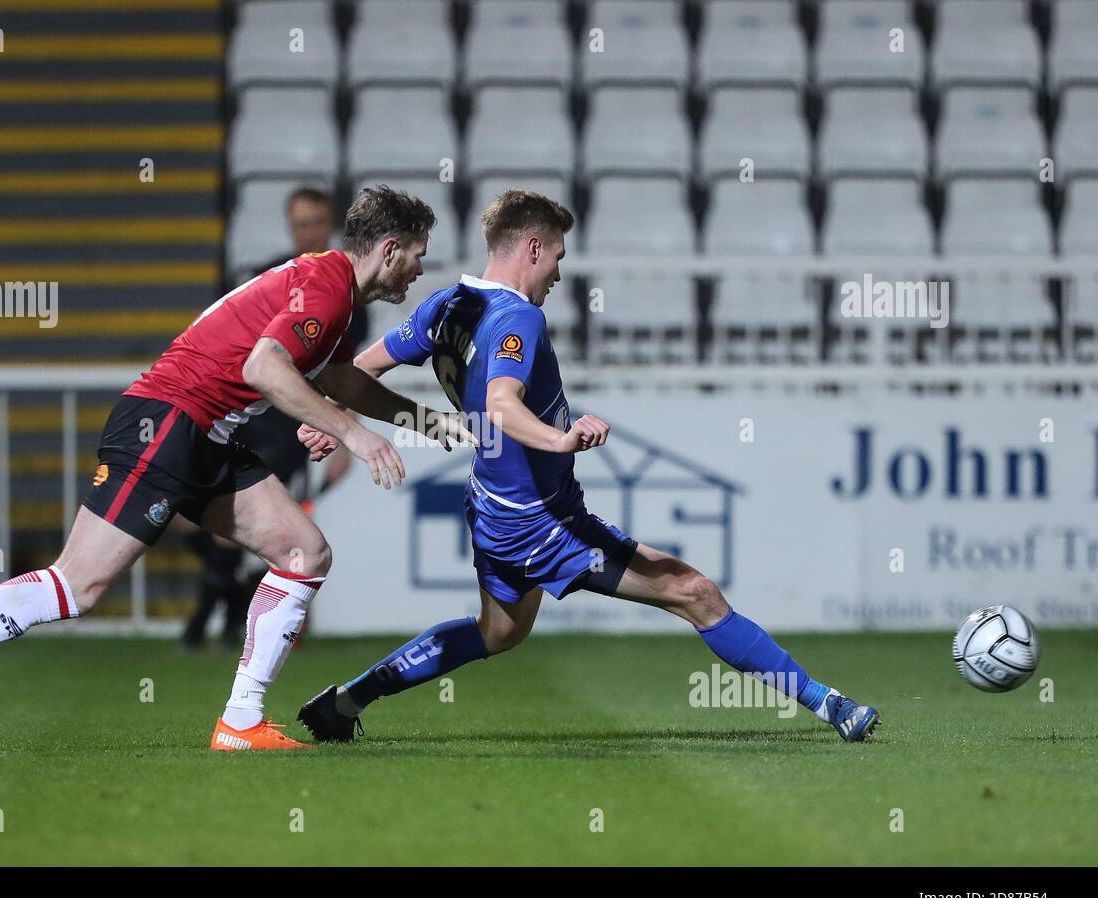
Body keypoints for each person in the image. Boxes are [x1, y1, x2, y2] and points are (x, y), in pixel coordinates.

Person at [0, 186, 472, 754]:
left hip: (207, 434)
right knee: (78, 587)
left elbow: (340, 379)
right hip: (167, 423)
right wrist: (353, 436)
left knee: (304, 552)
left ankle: (241, 720)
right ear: (389, 250)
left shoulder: (332, 289)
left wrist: (423, 421)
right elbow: (265, 367)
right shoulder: (326, 286)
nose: (419, 269)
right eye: (417, 255)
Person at [295, 189, 881, 744]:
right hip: (539, 520)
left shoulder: (447, 304)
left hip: (495, 505)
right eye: (556, 256)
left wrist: (328, 416)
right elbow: (501, 404)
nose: (558, 272)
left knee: (497, 632)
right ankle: (832, 705)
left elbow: (359, 366)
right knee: (695, 592)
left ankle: (343, 704)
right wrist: (562, 440)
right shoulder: (517, 318)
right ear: (531, 248)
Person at [181, 188, 356, 649]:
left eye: (317, 222)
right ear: (289, 226)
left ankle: (228, 618)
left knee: (281, 528)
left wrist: (346, 432)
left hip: (297, 426)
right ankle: (222, 607)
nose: (309, 232)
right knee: (217, 520)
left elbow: (349, 373)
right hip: (248, 416)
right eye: (301, 224)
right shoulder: (271, 279)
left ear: (329, 223)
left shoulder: (345, 292)